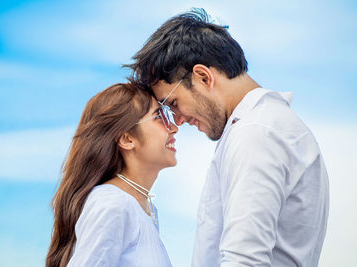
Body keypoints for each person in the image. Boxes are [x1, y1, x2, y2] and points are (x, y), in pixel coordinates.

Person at [126, 8, 330, 267]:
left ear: (203, 77)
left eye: (173, 103)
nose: (177, 120)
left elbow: (245, 260)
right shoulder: (267, 125)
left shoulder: (256, 133)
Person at [46, 83, 177, 267]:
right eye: (158, 116)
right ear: (126, 139)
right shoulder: (114, 204)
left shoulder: (144, 209)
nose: (173, 127)